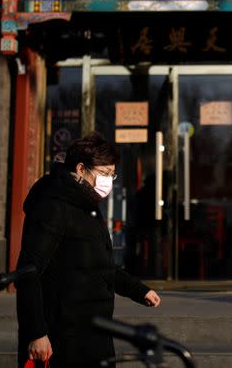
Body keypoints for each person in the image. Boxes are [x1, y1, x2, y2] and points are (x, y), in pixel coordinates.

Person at [15, 132, 161, 367]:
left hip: (94, 329)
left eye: (112, 175)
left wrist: (138, 290)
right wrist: (37, 333)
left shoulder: (88, 205)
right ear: (81, 169)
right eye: (103, 174)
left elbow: (99, 265)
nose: (108, 182)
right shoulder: (52, 206)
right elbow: (28, 272)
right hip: (62, 334)